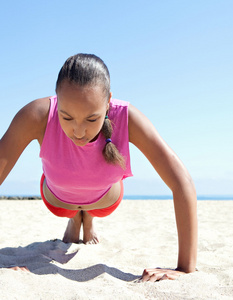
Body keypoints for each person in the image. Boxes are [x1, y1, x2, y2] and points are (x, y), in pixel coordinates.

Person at [0, 53, 197, 282]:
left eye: (92, 119)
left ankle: (87, 217)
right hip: (58, 200)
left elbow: (182, 181)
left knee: (93, 203)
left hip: (105, 201)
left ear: (108, 103)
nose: (79, 131)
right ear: (57, 100)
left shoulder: (127, 117)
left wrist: (184, 268)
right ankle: (76, 218)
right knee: (71, 207)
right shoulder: (37, 114)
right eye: (67, 117)